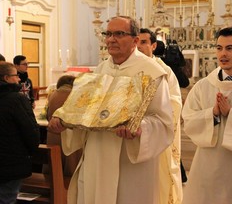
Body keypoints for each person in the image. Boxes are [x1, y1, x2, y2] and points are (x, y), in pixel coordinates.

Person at [48, 16, 174, 204]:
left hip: (130, 160)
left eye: (119, 34)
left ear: (135, 40)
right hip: (96, 156)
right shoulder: (99, 71)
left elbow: (164, 122)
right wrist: (63, 121)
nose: (111, 39)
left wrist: (140, 128)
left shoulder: (151, 72)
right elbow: (84, 111)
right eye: (108, 34)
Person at [182, 26, 232, 204]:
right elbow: (189, 119)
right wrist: (213, 113)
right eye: (219, 48)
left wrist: (231, 114)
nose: (223, 54)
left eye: (229, 48)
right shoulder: (204, 85)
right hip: (207, 162)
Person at [137, 28, 183, 204]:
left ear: (153, 45)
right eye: (137, 42)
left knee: (157, 180)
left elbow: (175, 102)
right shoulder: (128, 67)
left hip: (154, 132)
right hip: (129, 134)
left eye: (144, 42)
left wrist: (148, 111)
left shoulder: (163, 71)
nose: (139, 46)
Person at [0, 62, 40, 203]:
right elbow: (30, 130)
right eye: (15, 75)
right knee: (7, 199)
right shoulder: (16, 99)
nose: (18, 79)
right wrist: (32, 151)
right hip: (10, 162)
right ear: (6, 78)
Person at [46, 75, 82, 177]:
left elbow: (47, 114)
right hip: (68, 135)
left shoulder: (53, 94)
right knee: (69, 169)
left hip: (53, 135)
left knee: (55, 166)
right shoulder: (73, 94)